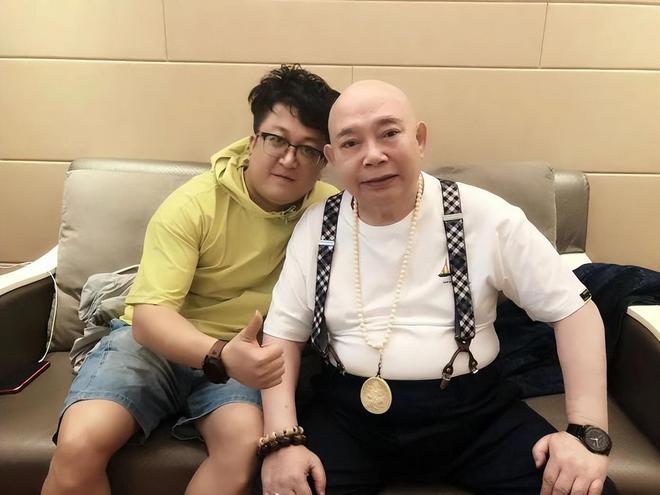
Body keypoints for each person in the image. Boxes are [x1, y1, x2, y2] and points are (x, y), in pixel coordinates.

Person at [260, 80, 617, 495]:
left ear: (420, 139)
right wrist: (282, 441)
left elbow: (574, 311)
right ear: (333, 157)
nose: (373, 155)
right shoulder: (317, 226)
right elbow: (282, 336)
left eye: (389, 133)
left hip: (476, 416)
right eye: (351, 143)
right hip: (346, 416)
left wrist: (587, 432)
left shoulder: (484, 215)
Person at [41, 65, 340, 495]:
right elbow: (150, 317)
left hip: (246, 357)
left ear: (323, 162)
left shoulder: (329, 214)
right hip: (156, 347)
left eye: (308, 149)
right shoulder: (194, 205)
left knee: (242, 451)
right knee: (79, 443)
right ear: (253, 140)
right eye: (277, 139)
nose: (289, 158)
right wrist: (220, 354)